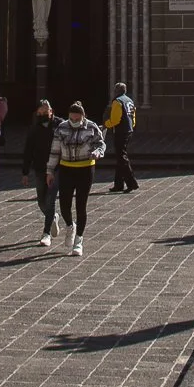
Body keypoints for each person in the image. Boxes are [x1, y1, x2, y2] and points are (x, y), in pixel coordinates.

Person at [47, 101, 107, 258]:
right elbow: (55, 150)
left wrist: (97, 153)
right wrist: (50, 171)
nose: (74, 122)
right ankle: (69, 225)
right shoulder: (62, 128)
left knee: (81, 204)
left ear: (83, 116)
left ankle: (79, 240)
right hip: (66, 168)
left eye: (77, 119)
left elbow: (101, 144)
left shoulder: (91, 127)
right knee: (64, 204)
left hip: (85, 168)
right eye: (71, 119)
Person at [21, 98, 59, 246]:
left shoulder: (59, 125)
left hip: (56, 168)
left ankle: (46, 233)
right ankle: (53, 216)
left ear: (51, 111)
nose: (43, 114)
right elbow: (28, 150)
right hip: (40, 167)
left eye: (46, 111)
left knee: (50, 200)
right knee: (41, 201)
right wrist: (25, 172)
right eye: (40, 111)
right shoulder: (34, 128)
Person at [103, 81, 139, 193]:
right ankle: (118, 184)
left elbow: (116, 119)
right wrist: (131, 127)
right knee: (120, 157)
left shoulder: (117, 102)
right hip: (128, 131)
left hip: (120, 131)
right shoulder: (130, 101)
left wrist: (106, 124)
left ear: (116, 91)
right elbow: (133, 117)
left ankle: (132, 182)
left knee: (122, 157)